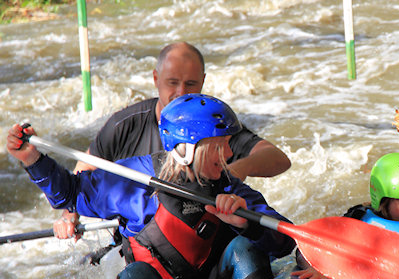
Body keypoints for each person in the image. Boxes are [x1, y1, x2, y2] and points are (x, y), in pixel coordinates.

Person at [7, 93, 296, 279]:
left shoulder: (228, 187)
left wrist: (248, 223)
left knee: (244, 248)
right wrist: (32, 159)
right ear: (185, 151)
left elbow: (285, 241)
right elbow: (70, 193)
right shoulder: (136, 180)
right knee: (134, 277)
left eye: (228, 146)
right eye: (218, 147)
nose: (230, 155)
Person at [7, 42, 291, 240]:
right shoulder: (129, 148)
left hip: (211, 260)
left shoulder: (214, 126)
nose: (180, 92)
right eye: (172, 82)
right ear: (156, 79)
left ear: (202, 82)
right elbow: (78, 184)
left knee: (245, 250)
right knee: (135, 273)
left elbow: (285, 234)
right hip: (149, 244)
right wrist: (36, 164)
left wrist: (235, 184)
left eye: (190, 84)